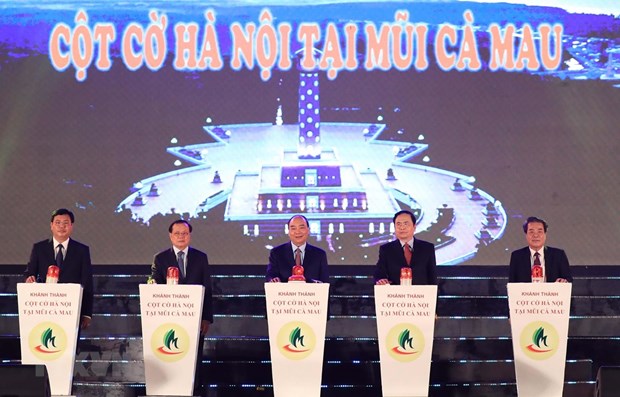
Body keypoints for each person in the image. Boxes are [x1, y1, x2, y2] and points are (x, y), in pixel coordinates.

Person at [150, 219, 213, 396]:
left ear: (190, 236)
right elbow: (155, 284)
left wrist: (206, 318)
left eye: (184, 233)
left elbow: (207, 287)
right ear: (170, 236)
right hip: (169, 318)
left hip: (195, 319)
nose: (181, 237)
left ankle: (193, 390)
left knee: (194, 358)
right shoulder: (160, 258)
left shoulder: (201, 257)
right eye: (177, 233)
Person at [24, 208, 94, 329]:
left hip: (71, 309)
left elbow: (87, 282)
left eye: (66, 223)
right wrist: (28, 279)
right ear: (51, 225)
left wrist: (87, 313)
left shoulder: (82, 250)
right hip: (45, 308)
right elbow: (30, 272)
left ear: (71, 226)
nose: (61, 226)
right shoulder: (39, 248)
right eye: (58, 223)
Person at [374, 210, 437, 285]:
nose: (402, 227)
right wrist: (381, 280)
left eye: (406, 224)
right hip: (396, 295)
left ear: (414, 227)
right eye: (398, 224)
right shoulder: (386, 249)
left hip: (420, 295)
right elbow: (379, 272)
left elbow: (432, 277)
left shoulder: (427, 248)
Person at [266, 215, 329, 283]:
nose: (297, 232)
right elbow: (270, 276)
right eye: (293, 228)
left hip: (310, 293)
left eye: (301, 228)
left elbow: (325, 282)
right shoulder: (277, 253)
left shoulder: (319, 254)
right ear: (288, 232)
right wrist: (273, 280)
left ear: (308, 230)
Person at [509, 216, 572, 283]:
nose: (535, 235)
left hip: (550, 293)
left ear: (545, 234)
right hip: (526, 293)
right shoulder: (517, 256)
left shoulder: (558, 255)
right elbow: (512, 283)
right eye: (531, 232)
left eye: (539, 231)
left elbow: (568, 279)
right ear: (526, 235)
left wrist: (563, 281)